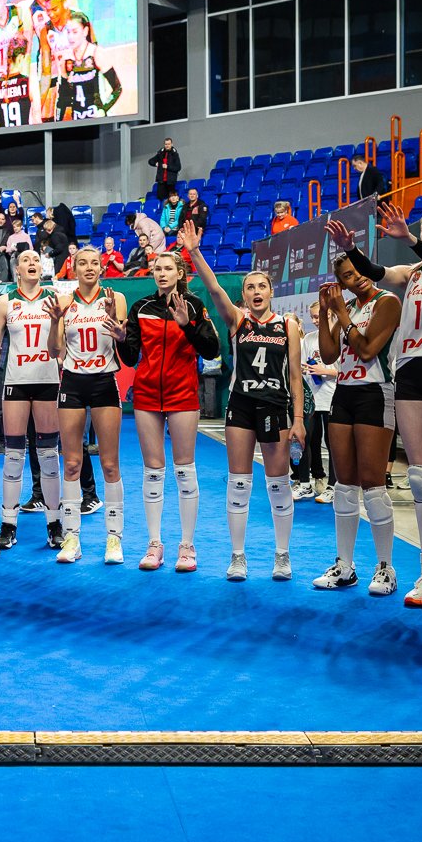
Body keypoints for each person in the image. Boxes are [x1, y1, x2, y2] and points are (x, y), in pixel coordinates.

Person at [327, 204, 422, 610]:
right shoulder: (411, 274)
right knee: (420, 477)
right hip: (410, 374)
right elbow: (376, 273)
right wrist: (351, 248)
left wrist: (410, 238)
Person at [183, 221, 303, 580]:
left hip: (276, 407)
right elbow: (214, 288)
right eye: (250, 287)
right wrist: (194, 252)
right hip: (241, 406)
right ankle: (238, 556)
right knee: (239, 483)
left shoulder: (288, 325)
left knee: (278, 483)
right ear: (245, 294)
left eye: (261, 286)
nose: (256, 291)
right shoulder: (238, 320)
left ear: (271, 291)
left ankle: (282, 555)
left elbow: (295, 377)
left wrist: (298, 420)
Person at [119, 243, 221, 573]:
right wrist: (121, 338)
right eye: (157, 269)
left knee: (184, 469)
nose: (161, 274)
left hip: (182, 394)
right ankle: (154, 544)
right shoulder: (140, 307)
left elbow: (212, 349)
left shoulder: (194, 305)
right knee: (153, 470)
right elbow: (130, 358)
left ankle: (187, 546)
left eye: (167, 269)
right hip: (147, 395)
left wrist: (188, 324)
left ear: (180, 273)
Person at [315, 247, 403, 594]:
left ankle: (385, 568)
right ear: (341, 283)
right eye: (348, 275)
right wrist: (326, 312)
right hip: (344, 392)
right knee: (344, 484)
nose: (358, 277)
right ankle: (345, 565)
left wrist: (341, 313)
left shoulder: (387, 302)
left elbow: (367, 350)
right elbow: (328, 355)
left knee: (373, 484)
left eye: (359, 269)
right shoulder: (347, 307)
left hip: (375, 393)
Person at [48, 248, 128, 563]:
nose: (89, 267)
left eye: (95, 262)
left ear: (101, 268)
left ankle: (114, 539)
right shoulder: (64, 302)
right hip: (72, 383)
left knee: (110, 464)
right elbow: (54, 350)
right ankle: (71, 539)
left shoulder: (115, 297)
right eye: (83, 263)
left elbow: (123, 339)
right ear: (74, 269)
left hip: (104, 382)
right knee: (71, 463)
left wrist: (117, 324)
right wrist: (55, 321)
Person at [0, 250, 64, 551]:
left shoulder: (56, 298)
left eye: (36, 259)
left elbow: (60, 347)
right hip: (16, 383)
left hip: (47, 381)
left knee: (48, 454)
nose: (32, 263)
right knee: (13, 455)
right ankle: (8, 523)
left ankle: (55, 523)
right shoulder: (4, 302)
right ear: (17, 269)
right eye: (26, 260)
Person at [292, 300, 338, 502]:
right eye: (313, 317)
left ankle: (333, 486)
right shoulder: (309, 339)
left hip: (332, 398)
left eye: (319, 316)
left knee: (333, 443)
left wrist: (324, 371)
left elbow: (347, 371)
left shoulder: (339, 337)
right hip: (311, 399)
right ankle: (304, 483)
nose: (315, 320)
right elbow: (300, 365)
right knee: (304, 440)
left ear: (330, 314)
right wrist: (305, 368)